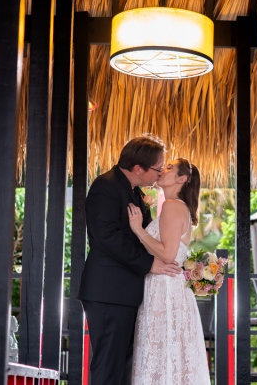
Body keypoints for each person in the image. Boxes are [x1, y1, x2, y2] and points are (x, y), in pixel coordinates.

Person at [78, 134, 183, 385]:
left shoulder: (134, 191)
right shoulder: (106, 187)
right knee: (109, 364)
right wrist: (149, 264)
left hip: (126, 291)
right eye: (158, 169)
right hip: (109, 291)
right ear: (138, 169)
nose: (160, 173)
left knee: (125, 366)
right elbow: (107, 236)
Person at [127, 158, 211, 385]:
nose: (163, 170)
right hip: (165, 286)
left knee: (162, 351)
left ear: (182, 179)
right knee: (168, 355)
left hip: (164, 289)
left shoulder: (173, 206)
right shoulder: (176, 206)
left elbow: (168, 254)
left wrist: (138, 230)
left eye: (170, 168)